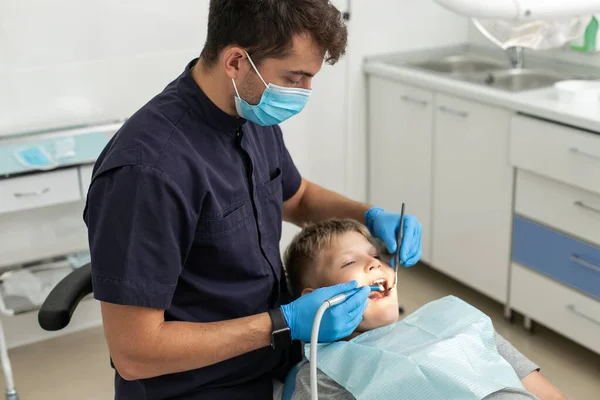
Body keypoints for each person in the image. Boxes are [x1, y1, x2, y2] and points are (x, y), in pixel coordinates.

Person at [83, 1, 423, 399]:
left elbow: (297, 197)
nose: (303, 93)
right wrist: (283, 323)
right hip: (197, 387)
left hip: (274, 363)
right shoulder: (147, 172)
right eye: (294, 78)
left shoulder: (250, 113)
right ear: (236, 62)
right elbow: (135, 353)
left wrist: (368, 214)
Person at [283, 219, 568, 400]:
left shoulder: (459, 322)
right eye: (348, 263)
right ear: (316, 298)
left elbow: (548, 394)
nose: (374, 264)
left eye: (375, 256)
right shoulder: (325, 376)